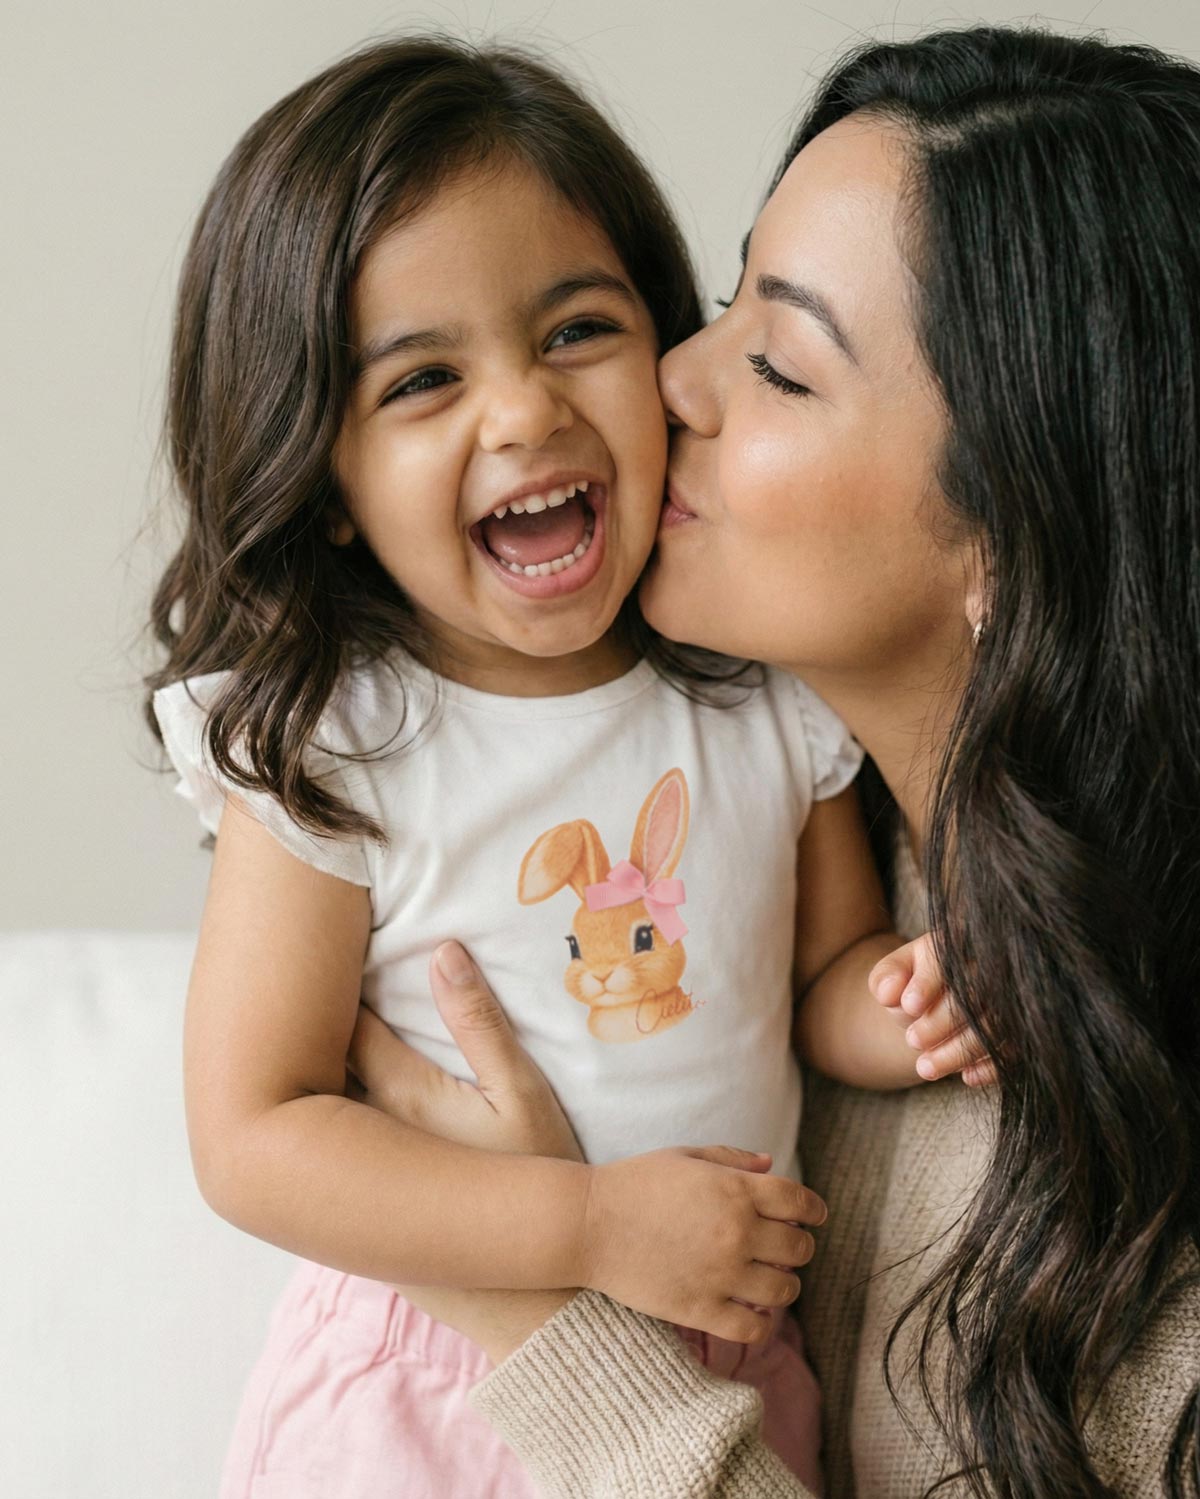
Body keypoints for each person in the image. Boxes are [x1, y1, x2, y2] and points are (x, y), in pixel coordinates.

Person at [341, 24, 1200, 1499]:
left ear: (1014, 536)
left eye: (785, 368)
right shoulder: (784, 883)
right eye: (727, 300)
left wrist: (518, 1286)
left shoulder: (1150, 1205)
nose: (673, 375)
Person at [143, 36, 978, 1499]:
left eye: (579, 331)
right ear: (326, 488)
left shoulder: (758, 699)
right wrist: (587, 1228)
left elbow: (823, 977)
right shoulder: (334, 742)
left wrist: (923, 1004)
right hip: (438, 1375)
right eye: (421, 381)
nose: (523, 411)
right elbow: (254, 1135)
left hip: (729, 1360)